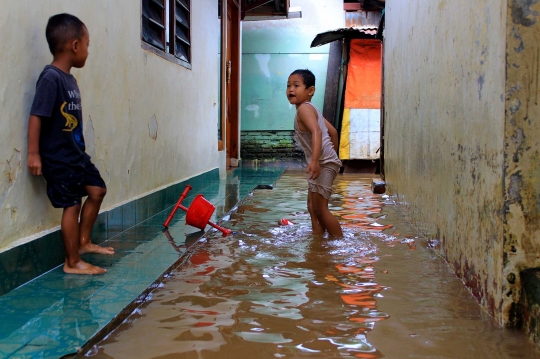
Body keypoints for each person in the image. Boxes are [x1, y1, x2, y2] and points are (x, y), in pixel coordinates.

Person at [27, 13, 114, 275]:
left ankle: (84, 243)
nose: (88, 51)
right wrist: (34, 153)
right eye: (87, 45)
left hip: (77, 154)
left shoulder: (70, 80)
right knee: (72, 204)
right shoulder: (50, 78)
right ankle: (72, 262)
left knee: (97, 190)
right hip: (58, 157)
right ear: (74, 46)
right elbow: (36, 115)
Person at [286, 69, 343, 237]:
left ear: (310, 91)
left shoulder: (304, 109)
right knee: (312, 206)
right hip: (324, 162)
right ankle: (318, 240)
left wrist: (317, 160)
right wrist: (334, 158)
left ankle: (340, 244)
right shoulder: (310, 109)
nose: (291, 89)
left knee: (320, 208)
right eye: (288, 85)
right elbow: (333, 132)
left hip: (322, 163)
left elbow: (317, 132)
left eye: (296, 85)